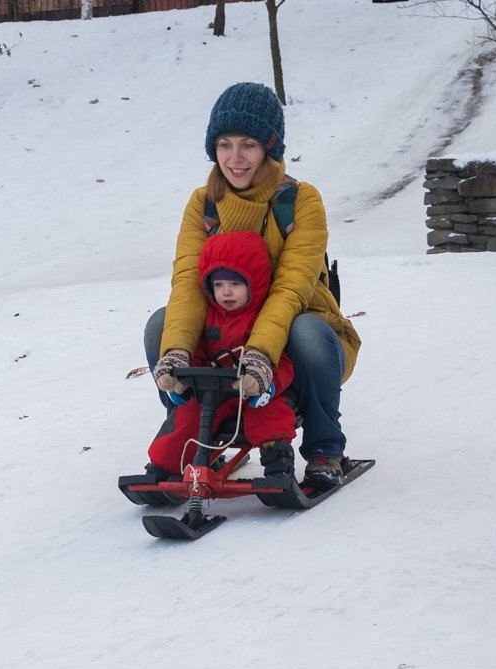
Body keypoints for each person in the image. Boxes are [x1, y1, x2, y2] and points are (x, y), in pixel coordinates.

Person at [145, 82, 361, 489]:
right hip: (224, 337)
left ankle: (325, 448)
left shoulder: (300, 200)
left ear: (270, 147)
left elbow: (290, 290)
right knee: (161, 325)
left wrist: (260, 357)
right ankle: (194, 437)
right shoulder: (202, 204)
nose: (235, 158)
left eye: (248, 144)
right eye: (225, 145)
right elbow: (189, 283)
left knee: (306, 331)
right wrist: (175, 354)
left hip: (300, 336)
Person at [147, 230, 298, 480]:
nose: (226, 293)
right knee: (187, 419)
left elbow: (282, 360)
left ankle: (277, 461)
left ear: (254, 282)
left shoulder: (267, 318)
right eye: (219, 285)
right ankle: (164, 466)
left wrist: (269, 385)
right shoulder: (207, 317)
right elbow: (197, 353)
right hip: (214, 394)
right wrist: (182, 380)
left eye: (235, 284)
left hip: (254, 393)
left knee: (271, 415)